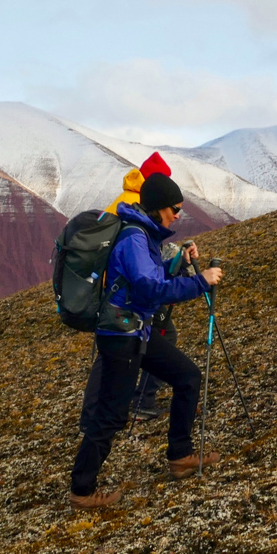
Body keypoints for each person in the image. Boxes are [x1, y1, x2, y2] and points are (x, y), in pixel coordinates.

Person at [70, 174, 223, 508]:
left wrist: (176, 264)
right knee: (111, 416)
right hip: (122, 336)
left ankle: (180, 456)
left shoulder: (142, 235)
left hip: (137, 330)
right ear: (157, 207)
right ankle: (82, 491)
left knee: (187, 377)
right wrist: (200, 281)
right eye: (174, 208)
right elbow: (150, 289)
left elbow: (150, 281)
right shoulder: (134, 238)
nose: (178, 215)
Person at [82, 152, 176, 425]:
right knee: (157, 336)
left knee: (116, 348)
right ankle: (139, 402)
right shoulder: (136, 205)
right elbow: (136, 255)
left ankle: (98, 414)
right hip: (124, 290)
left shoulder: (126, 200)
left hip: (112, 286)